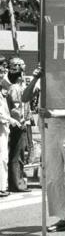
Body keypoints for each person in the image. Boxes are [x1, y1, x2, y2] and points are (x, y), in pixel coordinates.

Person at [22, 67, 65, 235]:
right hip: (49, 131)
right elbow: (25, 97)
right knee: (54, 177)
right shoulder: (42, 80)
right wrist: (34, 78)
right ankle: (64, 218)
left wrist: (53, 113)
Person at [6, 57, 31, 192]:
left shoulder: (15, 87)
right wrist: (22, 120)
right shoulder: (15, 88)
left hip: (18, 124)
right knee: (18, 154)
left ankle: (16, 181)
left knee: (18, 154)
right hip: (17, 125)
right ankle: (17, 183)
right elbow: (16, 108)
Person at [0, 63, 20, 197]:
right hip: (2, 126)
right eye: (1, 72)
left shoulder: (3, 89)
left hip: (4, 126)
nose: (3, 75)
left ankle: (3, 185)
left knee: (4, 156)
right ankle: (2, 187)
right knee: (2, 157)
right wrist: (11, 120)